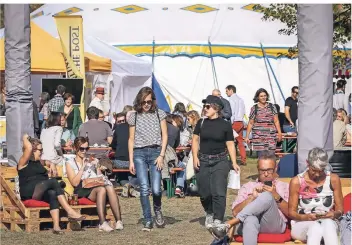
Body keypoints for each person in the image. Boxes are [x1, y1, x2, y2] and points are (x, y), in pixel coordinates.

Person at [211, 151, 289, 243]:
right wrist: (251, 197)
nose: (266, 174)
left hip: (274, 225)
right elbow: (235, 212)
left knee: (267, 196)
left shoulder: (284, 186)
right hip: (250, 224)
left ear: (275, 169)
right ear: (257, 169)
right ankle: (228, 225)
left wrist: (276, 196)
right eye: (262, 170)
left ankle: (229, 224)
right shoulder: (248, 187)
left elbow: (290, 213)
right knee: (250, 219)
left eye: (269, 170)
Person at [18, 134, 85, 234]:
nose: (42, 152)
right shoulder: (23, 162)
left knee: (52, 193)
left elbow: (48, 162)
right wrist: (25, 137)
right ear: (32, 151)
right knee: (53, 181)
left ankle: (56, 227)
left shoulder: (39, 162)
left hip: (40, 192)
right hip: (29, 192)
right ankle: (70, 211)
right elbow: (28, 147)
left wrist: (52, 164)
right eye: (40, 150)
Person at [192, 95, 240, 233]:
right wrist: (195, 157)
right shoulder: (201, 123)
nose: (205, 109)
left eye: (207, 106)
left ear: (216, 108)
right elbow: (195, 140)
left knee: (219, 191)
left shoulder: (225, 125)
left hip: (221, 160)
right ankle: (209, 212)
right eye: (204, 106)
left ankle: (218, 218)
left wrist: (234, 162)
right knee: (204, 192)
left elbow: (230, 144)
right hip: (203, 160)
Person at [127, 86, 168, 231]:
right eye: (144, 102)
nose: (146, 104)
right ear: (139, 101)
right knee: (144, 188)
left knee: (156, 189)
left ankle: (157, 209)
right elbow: (131, 139)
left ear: (153, 101)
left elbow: (165, 136)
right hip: (139, 153)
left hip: (156, 151)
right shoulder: (134, 116)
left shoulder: (160, 114)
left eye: (149, 102)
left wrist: (162, 155)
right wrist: (131, 160)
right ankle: (148, 219)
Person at [66, 137, 123, 232]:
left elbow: (100, 178)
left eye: (86, 149)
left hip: (95, 185)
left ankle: (118, 221)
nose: (84, 151)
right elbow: (75, 183)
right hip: (82, 188)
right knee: (101, 189)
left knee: (109, 186)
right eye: (82, 149)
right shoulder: (70, 163)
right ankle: (102, 223)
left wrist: (97, 167)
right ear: (76, 148)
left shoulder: (90, 161)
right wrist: (83, 167)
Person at [288, 147, 344, 245]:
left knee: (328, 224)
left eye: (321, 170)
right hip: (302, 223)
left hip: (328, 223)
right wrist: (306, 217)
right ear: (307, 163)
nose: (317, 174)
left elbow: (340, 209)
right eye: (314, 170)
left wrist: (334, 214)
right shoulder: (297, 181)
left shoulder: (333, 179)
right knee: (315, 227)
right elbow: (291, 213)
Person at [245, 88, 282, 157]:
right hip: (258, 137)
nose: (263, 97)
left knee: (271, 156)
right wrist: (247, 136)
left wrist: (279, 133)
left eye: (265, 95)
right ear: (258, 97)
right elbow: (250, 123)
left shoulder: (272, 106)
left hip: (270, 136)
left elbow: (276, 121)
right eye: (261, 96)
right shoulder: (254, 108)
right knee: (261, 157)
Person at [225, 85, 246, 165]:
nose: (226, 93)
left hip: (234, 122)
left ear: (231, 90)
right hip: (240, 121)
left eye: (227, 91)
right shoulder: (241, 100)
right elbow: (243, 111)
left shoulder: (231, 100)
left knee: (227, 140)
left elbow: (232, 112)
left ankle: (227, 157)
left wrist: (230, 122)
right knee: (240, 141)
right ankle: (243, 159)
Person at [40, 112, 64, 177]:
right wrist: (62, 155)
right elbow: (57, 144)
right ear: (57, 120)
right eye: (61, 119)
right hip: (53, 158)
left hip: (44, 158)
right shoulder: (59, 128)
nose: (63, 121)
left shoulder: (44, 130)